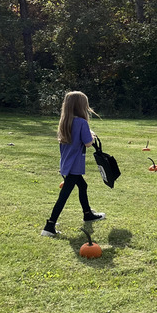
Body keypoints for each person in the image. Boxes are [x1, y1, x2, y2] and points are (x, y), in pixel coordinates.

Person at [41, 91, 104, 238]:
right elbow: (88, 143)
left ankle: (87, 214)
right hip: (75, 165)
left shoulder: (65, 121)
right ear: (81, 106)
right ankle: (49, 225)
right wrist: (92, 136)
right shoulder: (82, 122)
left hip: (66, 164)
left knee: (83, 186)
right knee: (64, 195)